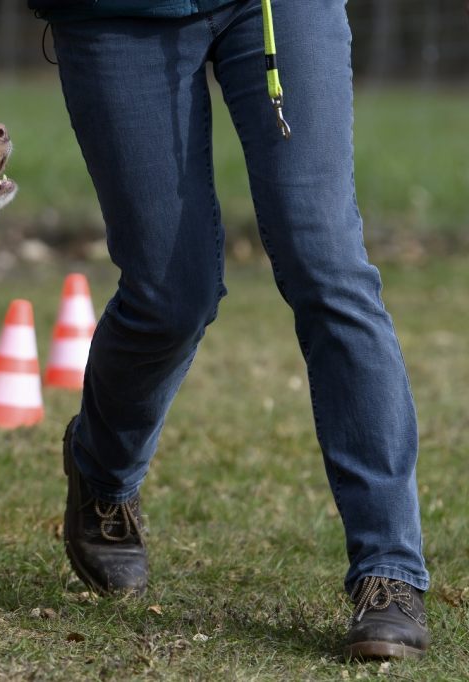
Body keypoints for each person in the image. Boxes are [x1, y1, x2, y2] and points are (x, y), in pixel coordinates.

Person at [29, 0, 429, 660]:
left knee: (327, 265)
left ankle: (391, 571)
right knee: (168, 296)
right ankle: (103, 475)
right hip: (118, 12)